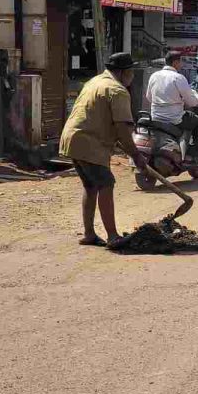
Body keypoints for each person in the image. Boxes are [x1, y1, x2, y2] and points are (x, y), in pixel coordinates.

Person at [59, 52, 148, 248]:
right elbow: (123, 130)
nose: (132, 76)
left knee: (91, 187)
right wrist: (136, 155)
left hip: (72, 138)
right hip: (89, 142)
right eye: (131, 71)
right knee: (106, 184)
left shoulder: (95, 81)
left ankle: (89, 234)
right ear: (123, 72)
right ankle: (113, 236)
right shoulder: (117, 90)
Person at [145, 51, 198, 164]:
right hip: (175, 119)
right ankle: (193, 156)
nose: (182, 65)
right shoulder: (178, 78)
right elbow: (191, 102)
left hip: (156, 117)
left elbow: (149, 97)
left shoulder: (154, 76)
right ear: (175, 62)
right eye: (180, 62)